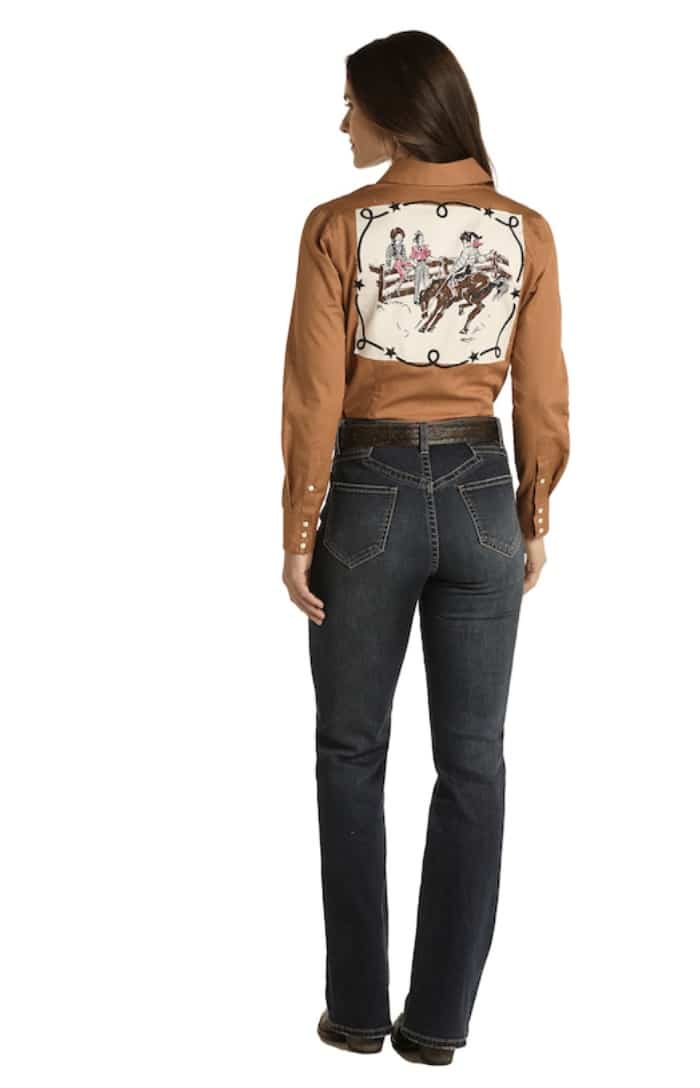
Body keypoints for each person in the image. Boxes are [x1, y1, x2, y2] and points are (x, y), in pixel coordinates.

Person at [280, 29, 570, 1067]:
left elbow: (314, 395)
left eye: (351, 104)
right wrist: (534, 511)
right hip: (486, 491)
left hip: (365, 494)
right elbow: (544, 392)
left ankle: (357, 1012)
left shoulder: (339, 226)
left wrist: (299, 528)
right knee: (474, 760)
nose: (342, 123)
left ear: (396, 113)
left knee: (350, 753)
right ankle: (437, 1024)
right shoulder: (524, 229)